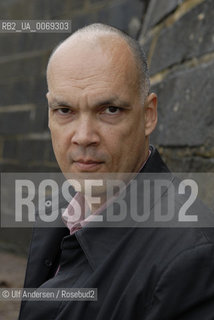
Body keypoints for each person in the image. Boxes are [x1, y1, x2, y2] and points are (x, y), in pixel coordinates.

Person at [18, 23, 214, 319]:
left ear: (148, 115)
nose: (83, 136)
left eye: (110, 110)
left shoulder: (191, 257)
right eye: (65, 110)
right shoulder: (58, 206)